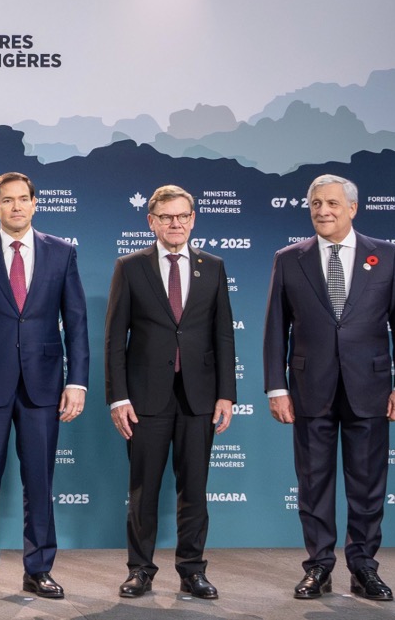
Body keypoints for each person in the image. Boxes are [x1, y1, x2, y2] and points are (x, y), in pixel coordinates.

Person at [263, 174, 395, 602]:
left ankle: (364, 567)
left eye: (331, 203)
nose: (322, 211)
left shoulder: (386, 256)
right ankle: (319, 567)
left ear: (352, 208)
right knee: (313, 483)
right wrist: (277, 388)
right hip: (309, 388)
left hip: (369, 387)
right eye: (315, 204)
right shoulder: (288, 258)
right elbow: (276, 327)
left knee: (368, 485)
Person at [0, 171, 88, 600]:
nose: (17, 207)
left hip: (44, 385)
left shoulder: (62, 253)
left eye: (23, 199)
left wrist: (77, 381)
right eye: (7, 201)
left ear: (35, 203)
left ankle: (38, 568)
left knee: (40, 482)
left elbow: (76, 323)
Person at [104, 185, 235, 600]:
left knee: (194, 489)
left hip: (199, 397)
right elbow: (114, 339)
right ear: (152, 222)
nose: (175, 223)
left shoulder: (212, 266)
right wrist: (118, 397)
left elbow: (223, 336)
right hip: (144, 399)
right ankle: (140, 569)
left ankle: (192, 570)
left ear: (193, 219)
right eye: (166, 217)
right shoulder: (130, 266)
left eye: (182, 216)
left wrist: (226, 394)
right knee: (143, 490)